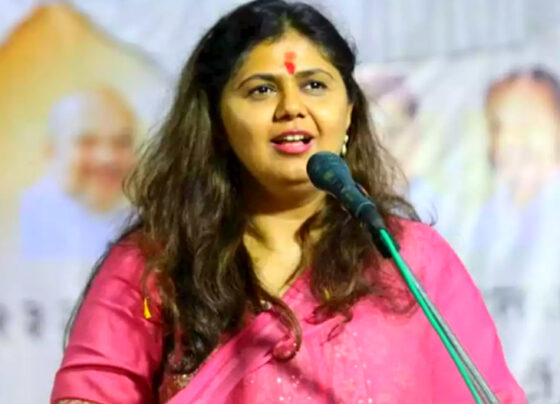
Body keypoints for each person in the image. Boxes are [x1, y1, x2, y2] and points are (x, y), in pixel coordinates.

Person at [51, 1, 526, 403]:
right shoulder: (154, 265)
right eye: (261, 90)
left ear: (349, 112)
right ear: (216, 121)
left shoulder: (409, 260)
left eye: (314, 85)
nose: (292, 107)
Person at [20, 86, 137, 260]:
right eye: (87, 142)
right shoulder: (17, 224)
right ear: (51, 150)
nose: (108, 158)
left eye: (121, 143)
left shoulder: (145, 226)